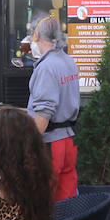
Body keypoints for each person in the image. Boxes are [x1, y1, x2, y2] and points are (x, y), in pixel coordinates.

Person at [25, 14, 81, 202]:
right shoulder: (68, 61)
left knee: (42, 203)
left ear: (37, 36)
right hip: (68, 141)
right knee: (66, 203)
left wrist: (27, 145)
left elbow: (43, 112)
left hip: (50, 144)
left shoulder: (46, 67)